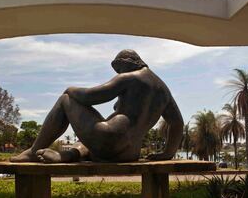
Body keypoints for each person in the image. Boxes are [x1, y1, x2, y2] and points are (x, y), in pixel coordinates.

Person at [10, 49, 183, 163]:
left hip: (109, 141)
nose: (118, 72)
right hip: (129, 153)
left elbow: (91, 97)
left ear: (128, 61)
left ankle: (33, 152)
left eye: (118, 67)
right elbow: (177, 123)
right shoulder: (162, 90)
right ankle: (69, 155)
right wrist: (167, 153)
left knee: (65, 99)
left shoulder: (130, 77)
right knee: (91, 139)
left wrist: (70, 89)